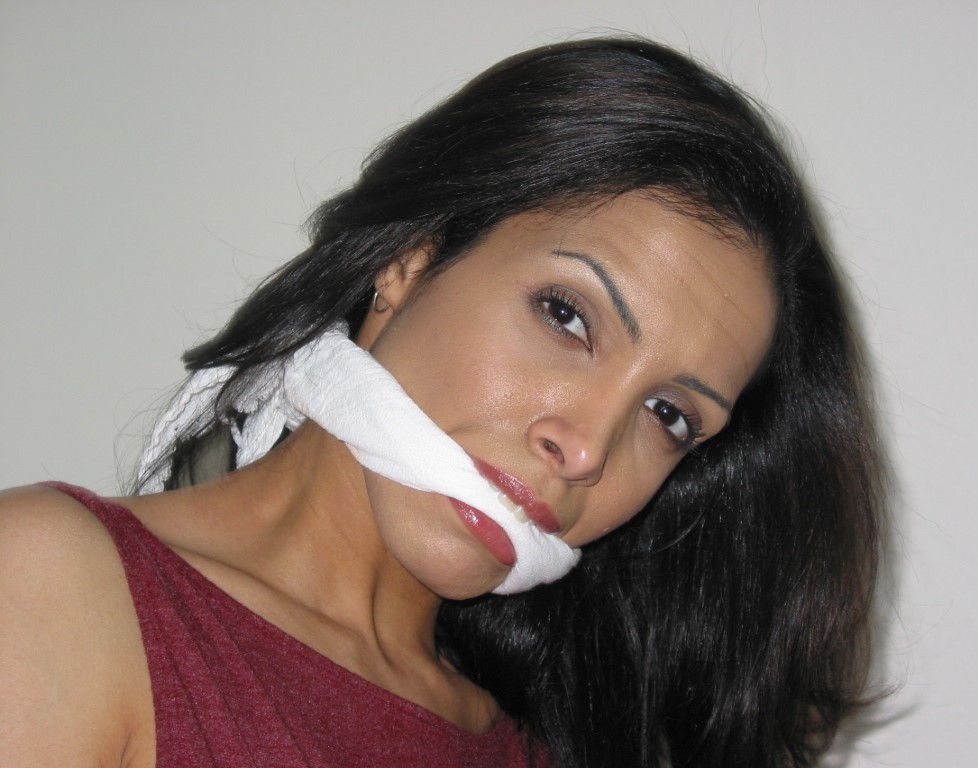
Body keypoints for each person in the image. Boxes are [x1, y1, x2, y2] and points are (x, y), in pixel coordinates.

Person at [0, 37, 886, 767]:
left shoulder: (539, 748)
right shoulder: (50, 587)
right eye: (566, 315)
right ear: (409, 261)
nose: (587, 450)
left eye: (669, 416)